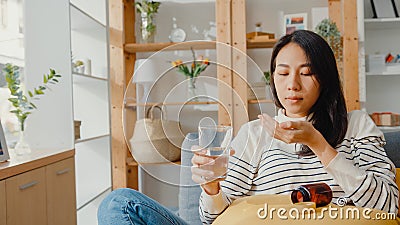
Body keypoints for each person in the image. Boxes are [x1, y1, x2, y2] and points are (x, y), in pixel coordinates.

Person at [97, 30, 398, 225]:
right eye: (282, 74)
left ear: (327, 79)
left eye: (307, 73)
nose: (292, 85)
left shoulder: (356, 124)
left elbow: (387, 206)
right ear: (273, 80)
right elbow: (211, 217)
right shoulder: (255, 133)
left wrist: (319, 144)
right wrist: (211, 187)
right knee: (118, 204)